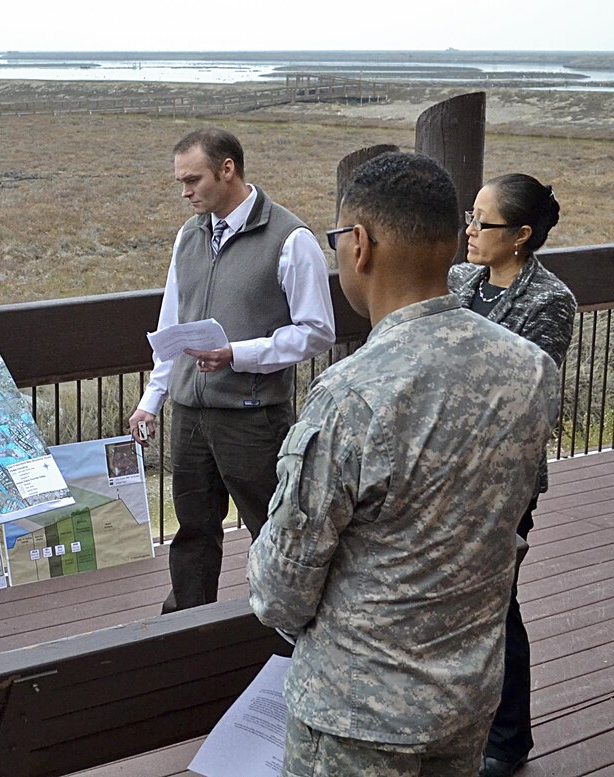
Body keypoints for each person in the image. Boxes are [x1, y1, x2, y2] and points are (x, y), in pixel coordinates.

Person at [246, 152, 561, 776]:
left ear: (358, 245)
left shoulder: (349, 396)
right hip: (467, 701)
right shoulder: (530, 370)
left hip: (354, 719)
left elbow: (280, 591)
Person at [127, 126, 334, 614]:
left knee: (273, 528)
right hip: (190, 414)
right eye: (181, 181)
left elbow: (318, 331)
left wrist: (238, 354)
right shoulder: (189, 235)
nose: (185, 192)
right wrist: (151, 400)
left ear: (228, 169)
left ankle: (291, 626)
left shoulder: (291, 237)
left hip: (253, 417)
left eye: (193, 179)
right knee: (193, 529)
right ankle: (188, 630)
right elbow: (170, 326)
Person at [448, 174, 577, 777]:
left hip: (502, 476)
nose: (469, 232)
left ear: (522, 236)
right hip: (447, 470)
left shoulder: (548, 300)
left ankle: (507, 741)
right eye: (469, 219)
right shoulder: (462, 281)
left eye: (482, 222)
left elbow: (530, 398)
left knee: (501, 603)